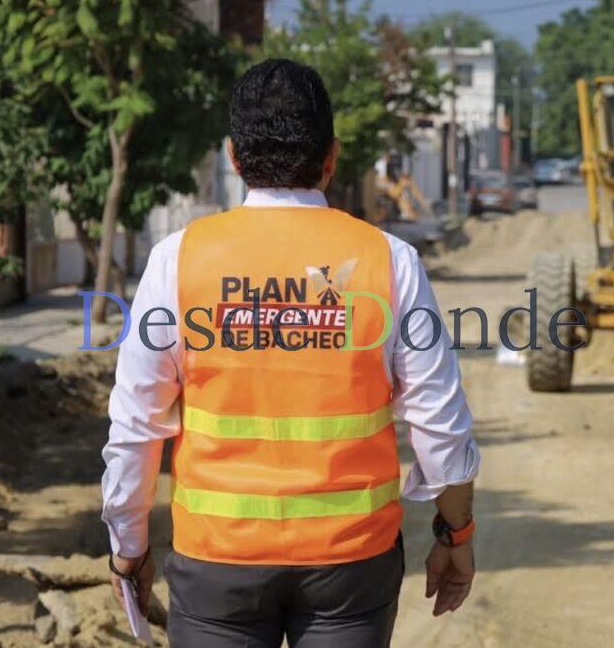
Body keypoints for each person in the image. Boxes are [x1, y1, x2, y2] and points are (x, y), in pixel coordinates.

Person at [100, 58, 480, 647]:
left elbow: (135, 424)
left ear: (233, 157)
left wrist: (128, 548)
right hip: (351, 563)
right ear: (331, 157)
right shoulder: (389, 262)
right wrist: (458, 535)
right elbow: (441, 423)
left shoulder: (178, 260)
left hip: (217, 562)